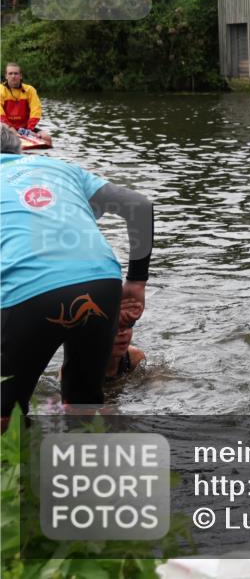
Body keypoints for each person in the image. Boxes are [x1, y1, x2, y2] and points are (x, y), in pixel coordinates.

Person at [0, 124, 153, 428]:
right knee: (83, 407)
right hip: (102, 282)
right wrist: (136, 281)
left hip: (30, 291)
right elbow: (139, 206)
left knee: (6, 416)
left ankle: (21, 468)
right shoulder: (61, 168)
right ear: (18, 149)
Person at [1, 63, 52, 146]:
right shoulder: (1, 90)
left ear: (20, 76)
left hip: (25, 128)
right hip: (5, 128)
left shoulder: (30, 90)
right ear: (6, 76)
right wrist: (10, 129)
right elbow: (1, 116)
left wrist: (28, 130)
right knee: (13, 140)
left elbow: (36, 111)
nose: (13, 76)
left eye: (16, 73)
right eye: (10, 73)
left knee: (47, 138)